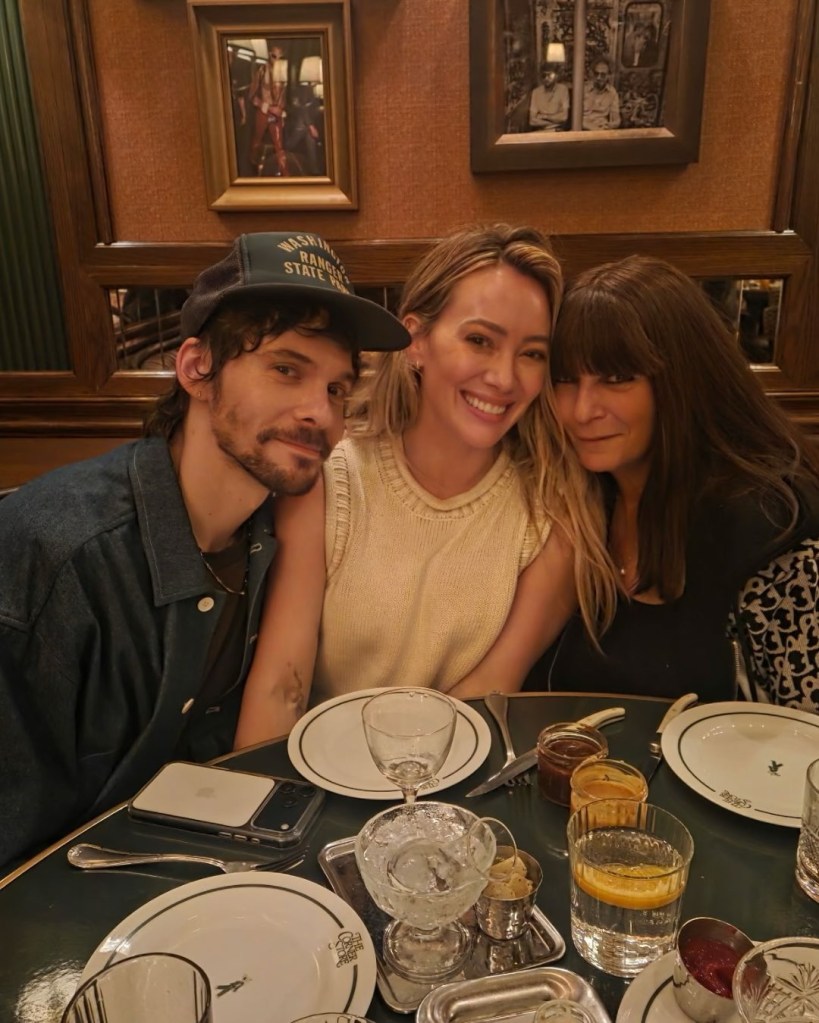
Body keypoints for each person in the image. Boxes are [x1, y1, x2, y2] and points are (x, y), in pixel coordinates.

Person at [0, 231, 409, 867]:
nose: (320, 414)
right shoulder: (58, 553)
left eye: (336, 389)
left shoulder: (271, 535)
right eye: (286, 369)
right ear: (196, 368)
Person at [234, 224, 615, 746]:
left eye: (532, 354)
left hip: (454, 785)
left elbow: (489, 692)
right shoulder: (330, 476)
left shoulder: (556, 506)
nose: (504, 379)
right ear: (416, 342)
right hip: (318, 778)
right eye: (480, 341)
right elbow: (282, 685)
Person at [524, 255, 819, 712]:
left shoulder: (774, 533)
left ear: (683, 380)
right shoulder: (576, 498)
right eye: (565, 380)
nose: (582, 411)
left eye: (617, 378)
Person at [248, 43, 289, 176]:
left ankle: (286, 177)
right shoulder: (262, 70)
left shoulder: (284, 72)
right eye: (273, 56)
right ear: (269, 55)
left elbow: (285, 97)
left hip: (277, 115)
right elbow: (252, 96)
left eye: (280, 57)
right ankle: (253, 169)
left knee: (279, 147)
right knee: (256, 142)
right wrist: (268, 108)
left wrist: (281, 112)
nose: (276, 60)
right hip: (263, 112)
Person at [528, 62, 570, 132]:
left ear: (556, 76)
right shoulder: (536, 92)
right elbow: (532, 121)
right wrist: (555, 121)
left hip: (557, 131)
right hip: (540, 131)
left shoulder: (563, 90)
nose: (546, 78)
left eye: (550, 75)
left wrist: (544, 117)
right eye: (544, 75)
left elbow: (564, 117)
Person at [583, 58, 621, 130]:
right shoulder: (583, 90)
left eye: (603, 75)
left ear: (609, 76)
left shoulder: (612, 93)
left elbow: (617, 120)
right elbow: (576, 118)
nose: (598, 77)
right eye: (596, 74)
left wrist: (610, 126)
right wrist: (594, 128)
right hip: (584, 129)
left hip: (602, 129)